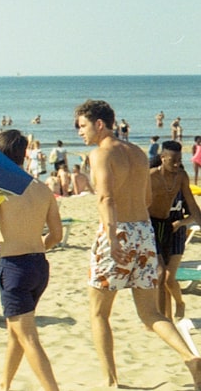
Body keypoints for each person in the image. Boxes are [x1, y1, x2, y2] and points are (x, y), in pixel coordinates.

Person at [75, 99, 201, 388]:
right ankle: (190, 358)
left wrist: (111, 234)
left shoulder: (100, 154)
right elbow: (145, 200)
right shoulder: (139, 153)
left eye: (82, 126)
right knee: (150, 314)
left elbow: (106, 198)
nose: (79, 133)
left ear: (99, 124)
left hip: (116, 231)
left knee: (98, 313)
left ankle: (110, 381)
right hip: (143, 231)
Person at [0, 129, 63, 391]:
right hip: (39, 265)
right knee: (16, 330)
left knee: (27, 336)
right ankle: (5, 383)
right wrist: (36, 247)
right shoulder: (42, 189)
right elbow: (56, 235)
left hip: (15, 266)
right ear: (24, 154)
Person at [149, 141, 201, 320]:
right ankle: (163, 318)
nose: (178, 164)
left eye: (180, 160)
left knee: (166, 277)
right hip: (151, 226)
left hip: (171, 227)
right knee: (161, 274)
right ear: (163, 158)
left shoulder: (181, 176)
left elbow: (193, 206)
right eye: (173, 160)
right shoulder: (150, 177)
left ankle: (166, 318)